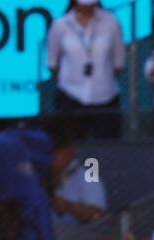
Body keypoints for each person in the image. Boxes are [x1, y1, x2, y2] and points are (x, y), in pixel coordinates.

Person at [47, 0, 126, 140]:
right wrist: (70, 80)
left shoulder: (111, 22)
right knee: (72, 147)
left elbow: (119, 62)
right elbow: (52, 63)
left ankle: (95, 163)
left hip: (105, 97)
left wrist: (101, 79)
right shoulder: (60, 25)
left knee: (106, 150)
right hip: (70, 96)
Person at [49, 131, 107, 236]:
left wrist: (68, 207)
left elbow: (97, 215)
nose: (52, 156)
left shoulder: (89, 177)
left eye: (57, 151)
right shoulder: (39, 177)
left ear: (70, 151)